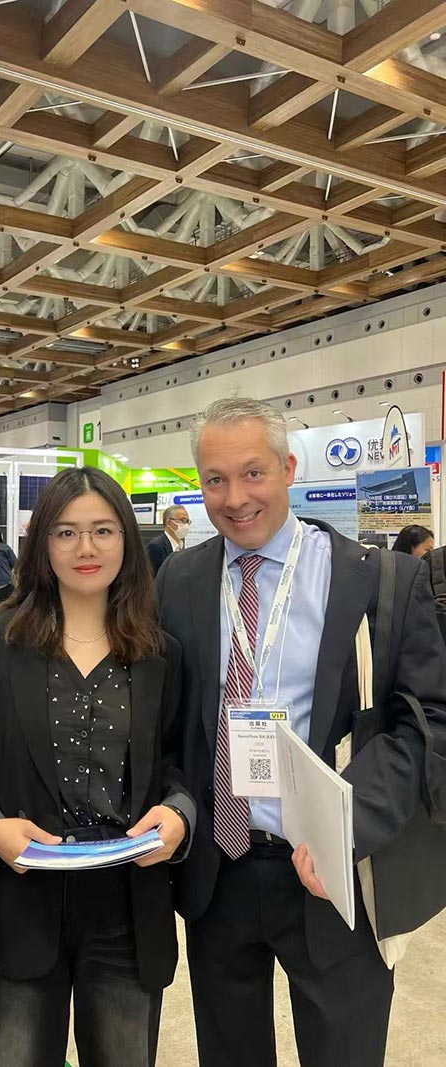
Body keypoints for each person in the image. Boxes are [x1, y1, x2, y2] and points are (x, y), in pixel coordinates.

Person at [156, 397, 446, 1067]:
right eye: (215, 480)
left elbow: (425, 718)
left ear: (288, 469)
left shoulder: (377, 580)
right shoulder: (180, 578)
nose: (235, 498)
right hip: (220, 872)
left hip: (336, 876)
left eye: (253, 473)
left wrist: (349, 824)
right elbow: (156, 702)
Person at [0, 466, 196, 1067]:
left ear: (127, 541)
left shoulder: (160, 652)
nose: (85, 548)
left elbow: (178, 761)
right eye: (66, 533)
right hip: (22, 898)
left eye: (102, 531)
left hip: (127, 903)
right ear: (42, 544)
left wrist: (178, 814)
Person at [146, 504, 190, 577]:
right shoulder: (155, 546)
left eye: (187, 521)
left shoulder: (181, 546)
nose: (186, 525)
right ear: (169, 523)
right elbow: (150, 576)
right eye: (182, 520)